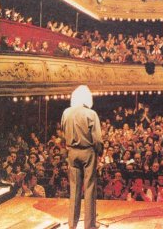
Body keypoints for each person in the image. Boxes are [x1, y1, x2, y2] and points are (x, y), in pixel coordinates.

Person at [61, 85, 103, 229]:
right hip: (87, 152)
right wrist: (99, 152)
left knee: (74, 188)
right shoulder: (91, 114)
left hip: (72, 152)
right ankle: (89, 225)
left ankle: (72, 224)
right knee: (89, 188)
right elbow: (97, 139)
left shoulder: (66, 112)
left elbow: (62, 130)